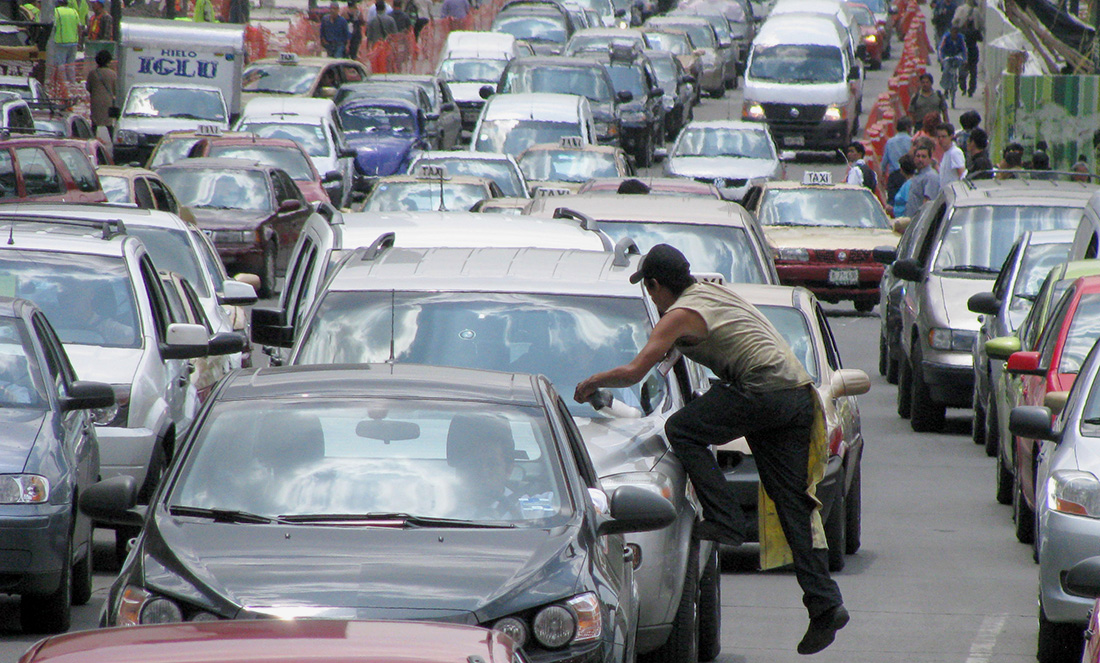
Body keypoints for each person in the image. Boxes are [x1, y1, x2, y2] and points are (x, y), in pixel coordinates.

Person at [574, 244, 848, 656]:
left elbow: (634, 372)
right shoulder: (710, 294)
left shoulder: (679, 314)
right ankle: (825, 603)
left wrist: (591, 382)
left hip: (761, 390)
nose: (651, 299)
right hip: (794, 395)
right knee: (791, 503)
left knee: (680, 428)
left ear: (656, 285)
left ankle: (725, 519)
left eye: (649, 291)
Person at [905, 141, 941, 218]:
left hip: (921, 222)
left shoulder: (931, 176)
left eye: (924, 156)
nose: (920, 159)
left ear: (930, 159)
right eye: (918, 156)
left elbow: (927, 205)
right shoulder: (918, 175)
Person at [86, 48, 116, 137]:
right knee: (109, 124)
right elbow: (115, 89)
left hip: (95, 100)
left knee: (94, 123)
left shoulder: (93, 73)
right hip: (108, 101)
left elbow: (88, 87)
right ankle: (113, 139)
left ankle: (92, 140)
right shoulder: (112, 74)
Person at [52, 0, 81, 83]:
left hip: (60, 42)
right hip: (73, 42)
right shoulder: (74, 11)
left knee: (61, 65)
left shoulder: (56, 11)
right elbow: (79, 27)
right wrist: (79, 41)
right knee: (71, 65)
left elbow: (53, 27)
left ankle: (63, 83)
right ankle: (72, 83)